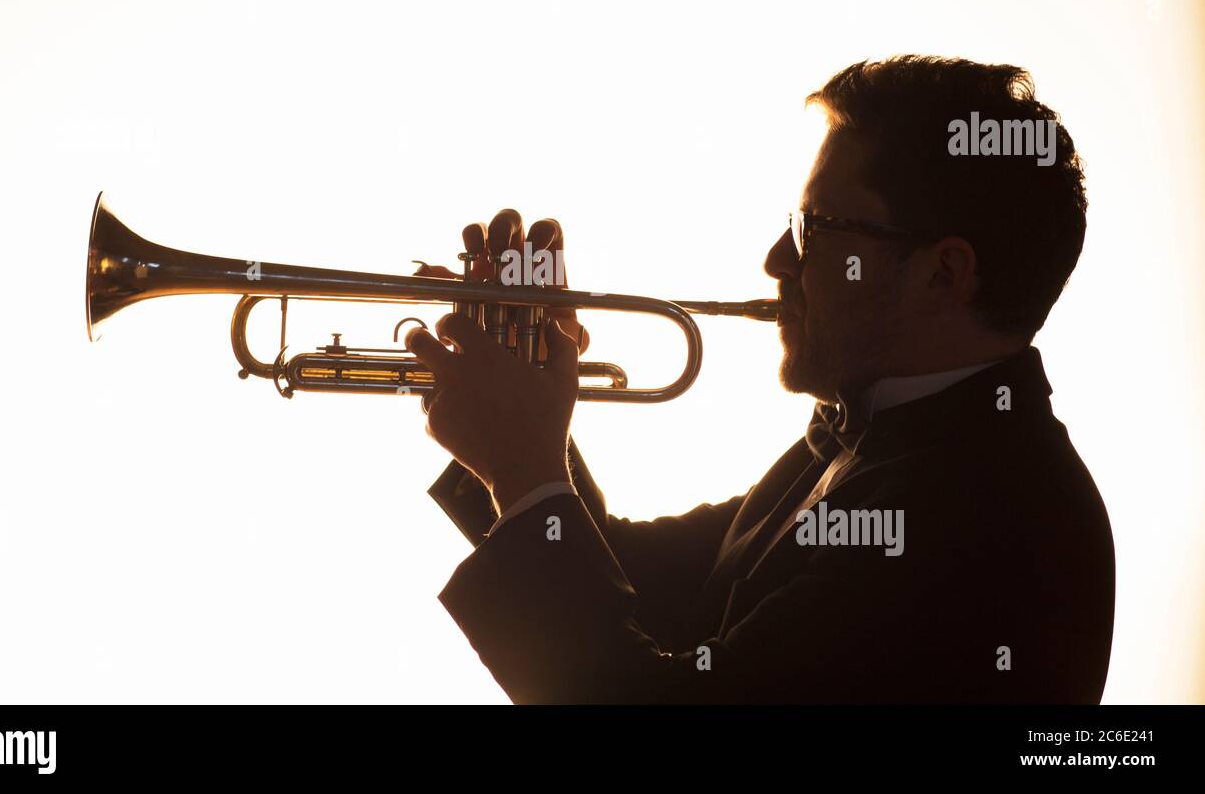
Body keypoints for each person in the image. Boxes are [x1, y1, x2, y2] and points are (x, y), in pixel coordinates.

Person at [406, 55, 1115, 703]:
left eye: (820, 228)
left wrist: (522, 468)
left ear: (943, 273)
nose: (778, 259)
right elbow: (648, 588)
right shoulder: (874, 441)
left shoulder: (976, 506)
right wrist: (513, 408)